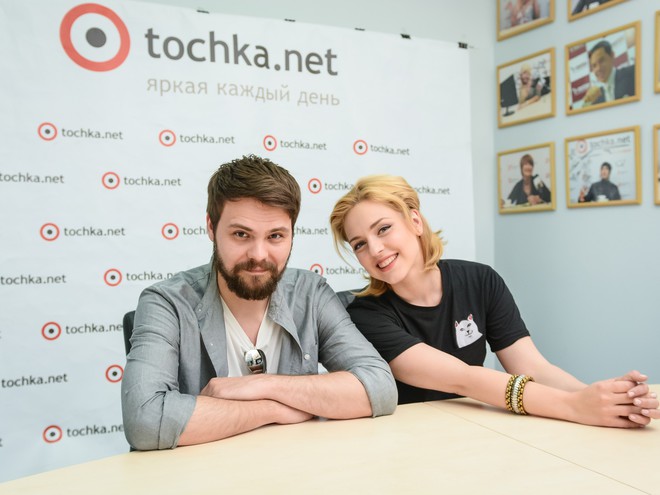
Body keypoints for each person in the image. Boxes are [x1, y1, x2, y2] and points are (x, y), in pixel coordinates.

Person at [329, 174, 659, 428]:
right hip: (410, 439)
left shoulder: (480, 280)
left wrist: (600, 398)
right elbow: (464, 378)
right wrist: (575, 407)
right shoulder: (365, 315)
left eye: (383, 229)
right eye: (359, 244)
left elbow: (533, 367)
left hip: (482, 427)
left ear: (415, 221)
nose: (375, 250)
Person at [122, 155, 397, 450]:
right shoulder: (167, 303)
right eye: (241, 234)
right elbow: (145, 421)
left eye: (275, 236)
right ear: (211, 227)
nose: (259, 255)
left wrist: (260, 385)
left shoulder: (311, 293)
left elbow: (379, 387)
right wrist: (272, 410)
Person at [582, 40, 635, 106]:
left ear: (612, 56)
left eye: (601, 61)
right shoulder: (597, 98)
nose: (598, 68)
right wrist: (587, 102)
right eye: (594, 66)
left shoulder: (633, 73)